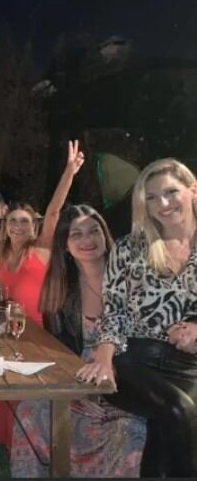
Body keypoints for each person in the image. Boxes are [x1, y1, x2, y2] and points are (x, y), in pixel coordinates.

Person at [0, 140, 85, 442]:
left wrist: (69, 172)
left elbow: (53, 212)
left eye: (24, 221)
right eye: (13, 221)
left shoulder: (40, 250)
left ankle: (5, 433)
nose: (17, 226)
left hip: (40, 332)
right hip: (11, 328)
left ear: (33, 225)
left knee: (4, 369)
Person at [76, 158, 197, 478]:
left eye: (171, 192)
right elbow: (113, 311)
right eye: (152, 197)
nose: (163, 204)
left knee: (165, 429)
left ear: (193, 190)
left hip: (188, 366)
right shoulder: (129, 248)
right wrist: (104, 359)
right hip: (134, 362)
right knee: (179, 410)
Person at [11, 205, 146, 477]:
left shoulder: (133, 278)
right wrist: (77, 389)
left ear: (105, 235)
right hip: (77, 381)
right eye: (77, 234)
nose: (87, 239)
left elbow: (144, 344)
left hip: (127, 383)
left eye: (94, 231)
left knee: (127, 430)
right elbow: (61, 350)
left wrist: (106, 382)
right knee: (29, 409)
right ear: (65, 245)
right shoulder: (62, 289)